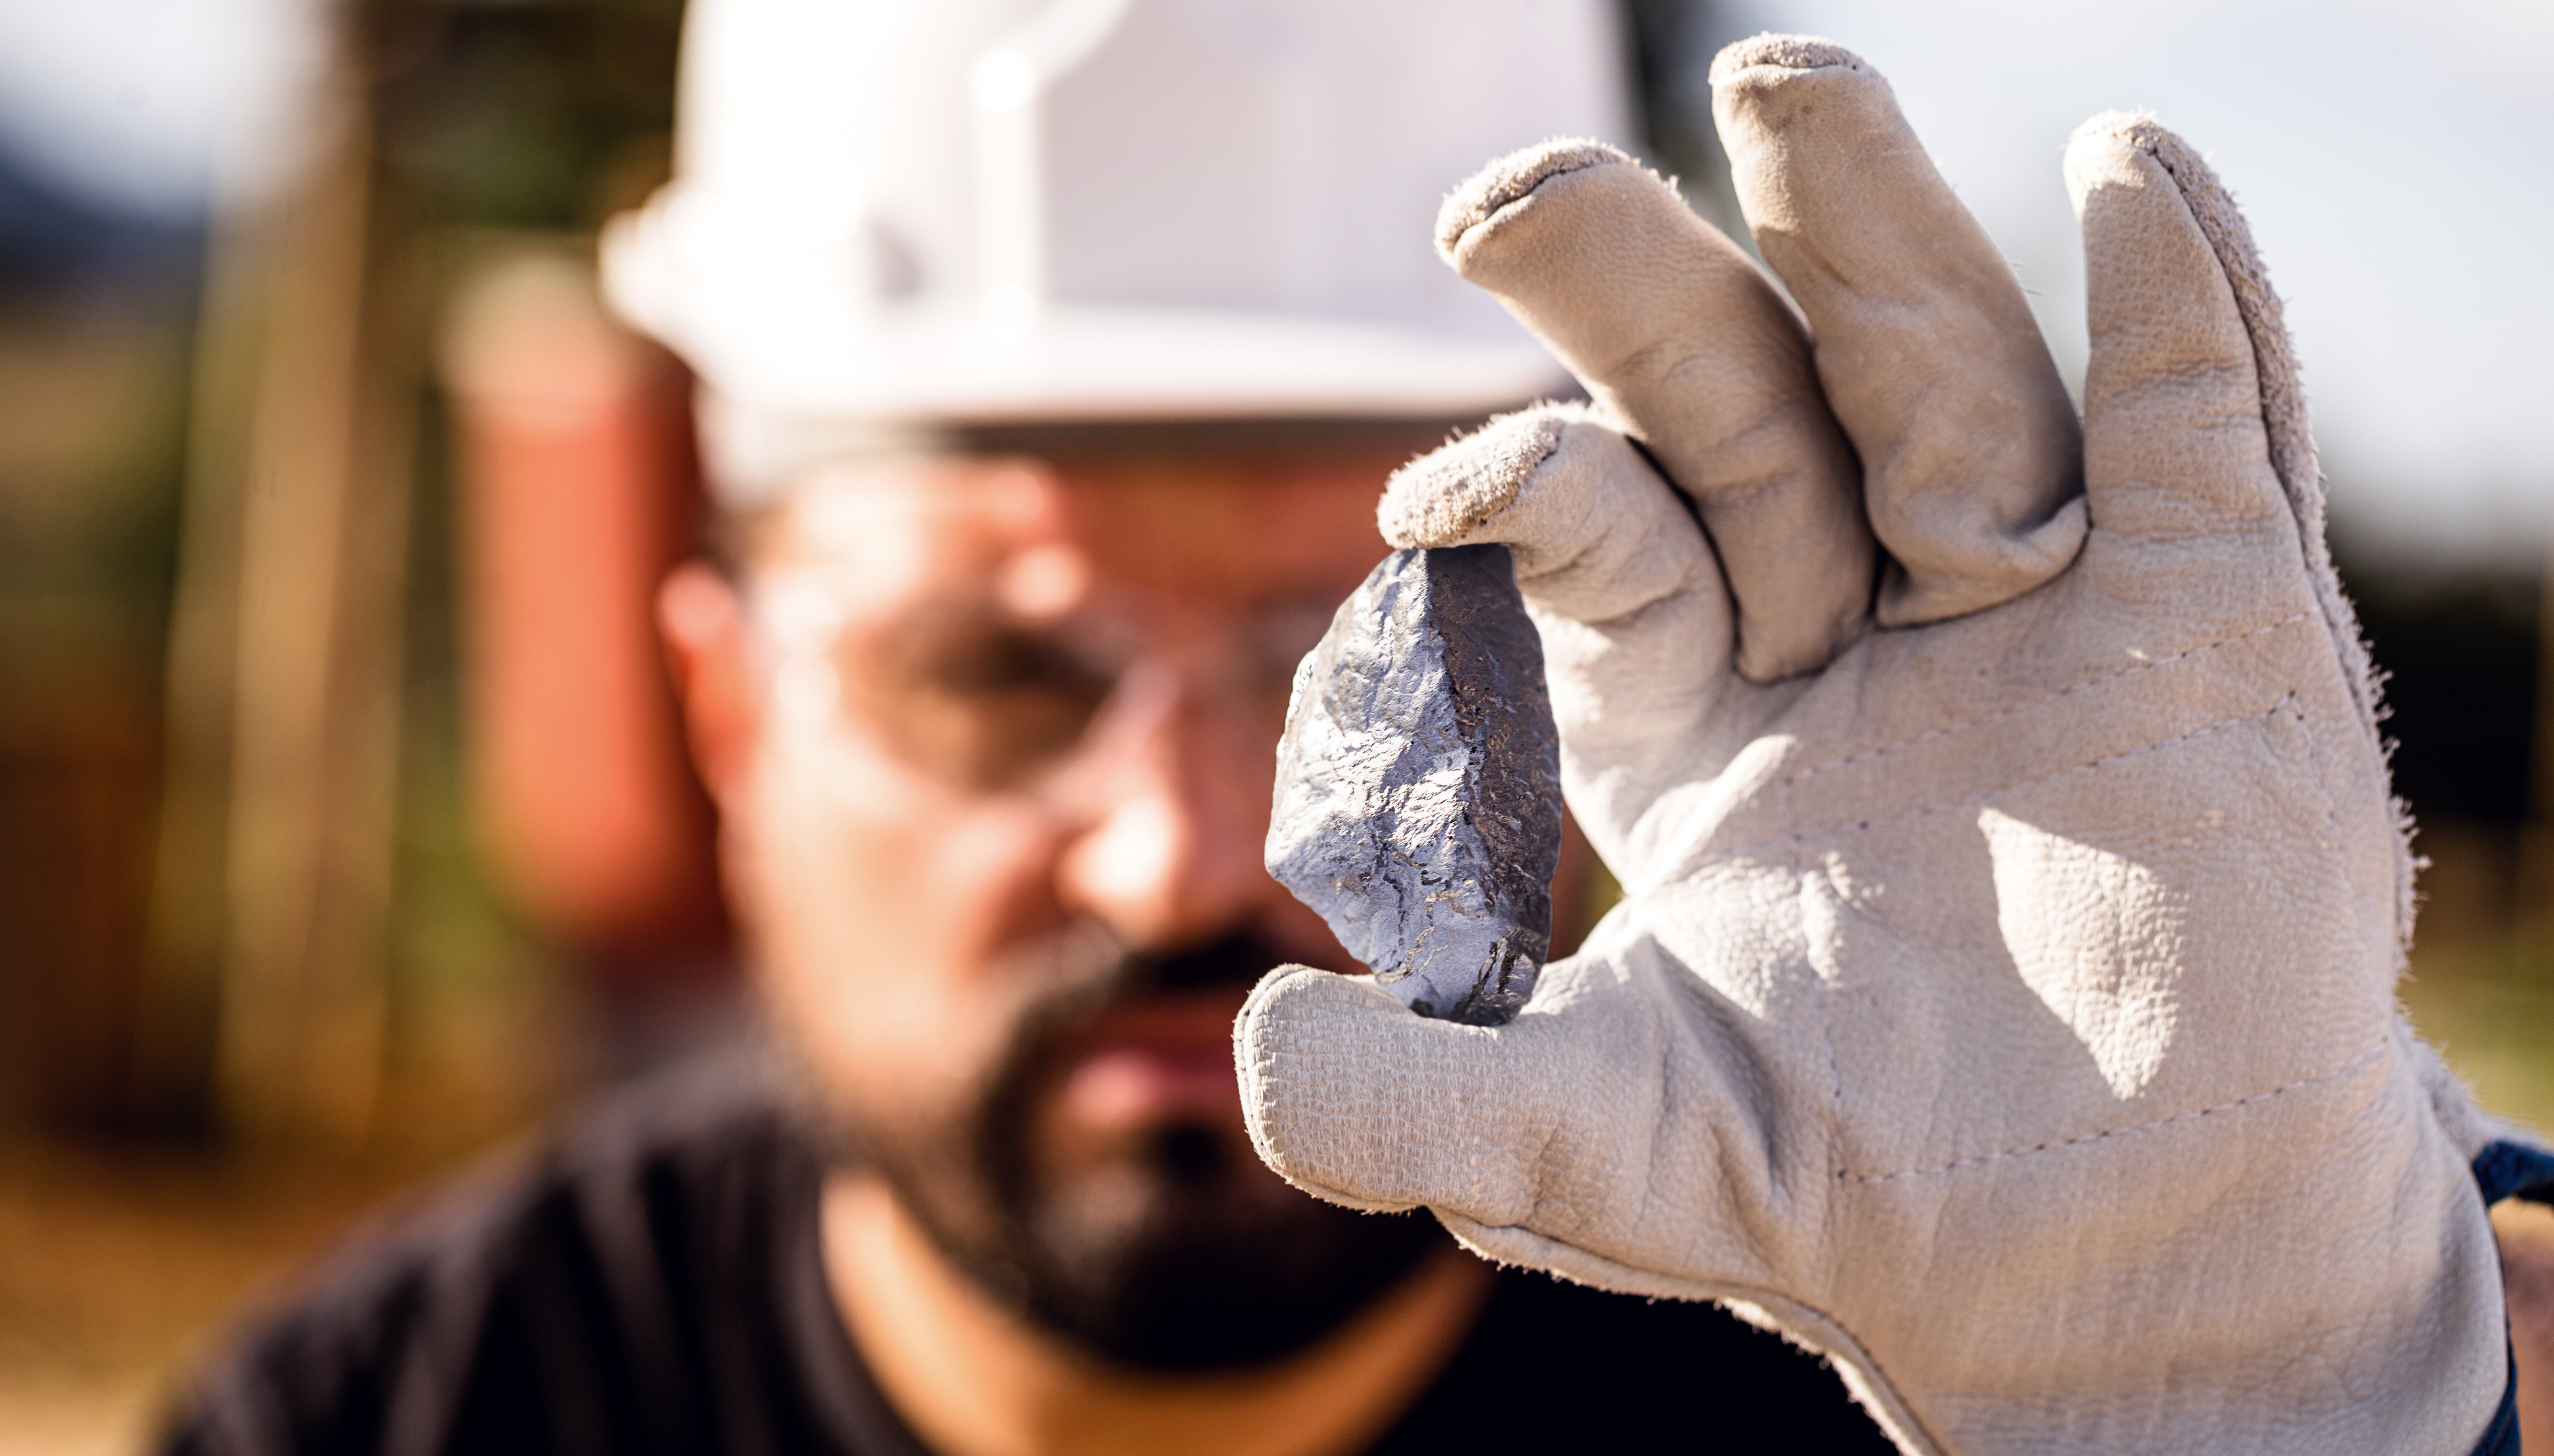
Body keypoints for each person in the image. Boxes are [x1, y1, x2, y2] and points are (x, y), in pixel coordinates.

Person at [162, 2, 1898, 1452]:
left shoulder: (1929, 1393)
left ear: (1603, 696)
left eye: (1381, 670)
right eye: (997, 678)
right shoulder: (366, 1422)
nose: (1185, 863)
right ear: (729, 714)